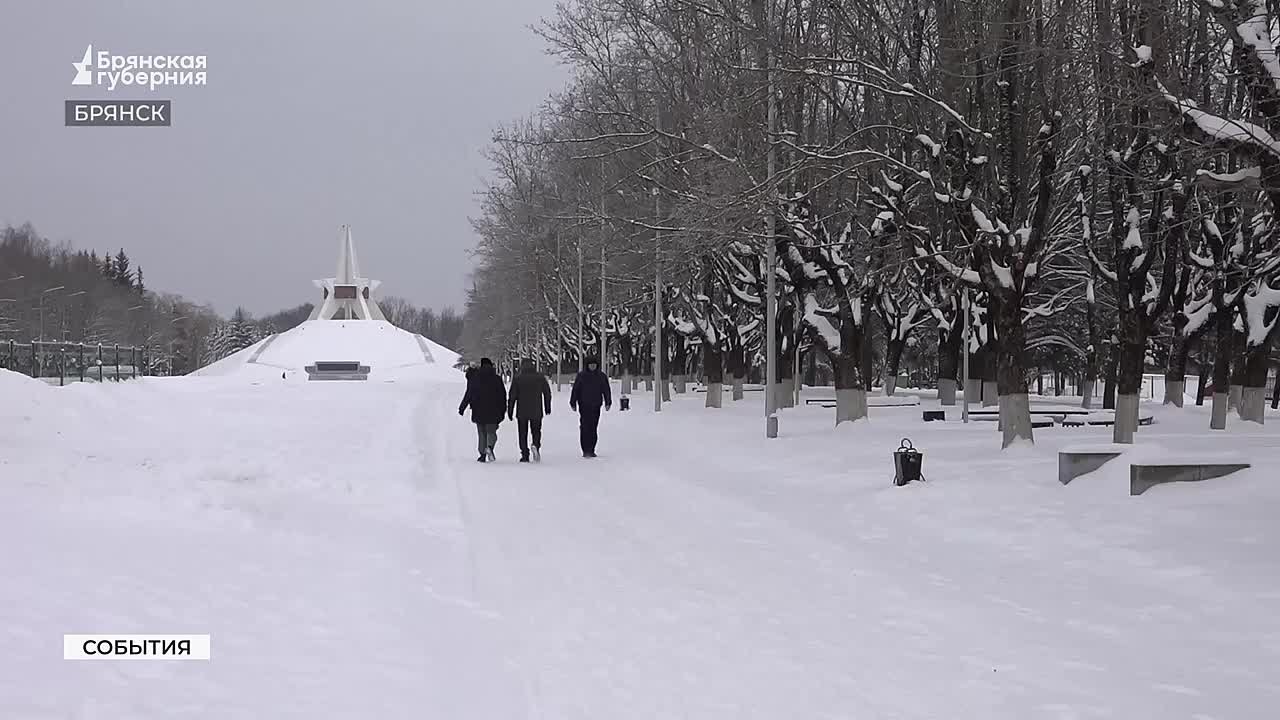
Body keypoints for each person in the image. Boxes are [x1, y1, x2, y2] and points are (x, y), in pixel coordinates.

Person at [458, 357, 506, 462]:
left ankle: (482, 454)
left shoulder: (475, 378)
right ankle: (489, 447)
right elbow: (502, 395)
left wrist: (462, 407)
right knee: (491, 432)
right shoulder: (497, 379)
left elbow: (469, 393)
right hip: (494, 410)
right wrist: (504, 410)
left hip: (478, 409)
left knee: (481, 433)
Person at [507, 358, 552, 463]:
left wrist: (510, 410)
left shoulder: (518, 378)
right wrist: (547, 407)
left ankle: (525, 454)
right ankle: (535, 444)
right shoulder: (540, 377)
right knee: (536, 430)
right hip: (536, 410)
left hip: (522, 411)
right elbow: (547, 393)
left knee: (522, 433)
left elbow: (512, 396)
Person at [569, 355, 611, 458]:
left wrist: (608, 402)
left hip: (596, 405)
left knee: (593, 427)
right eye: (591, 365)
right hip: (584, 405)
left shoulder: (601, 376)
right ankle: (585, 449)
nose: (593, 367)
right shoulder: (581, 376)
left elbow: (606, 390)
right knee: (584, 427)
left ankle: (591, 449)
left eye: (594, 365)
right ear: (587, 365)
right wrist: (573, 402)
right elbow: (576, 390)